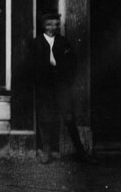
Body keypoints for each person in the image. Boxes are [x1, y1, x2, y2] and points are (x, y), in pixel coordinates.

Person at [32, 11, 98, 164]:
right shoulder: (36, 43)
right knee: (45, 117)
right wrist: (40, 81)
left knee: (69, 117)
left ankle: (81, 152)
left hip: (61, 85)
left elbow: (72, 63)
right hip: (45, 87)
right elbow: (32, 65)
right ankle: (46, 151)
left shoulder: (63, 42)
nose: (53, 27)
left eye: (56, 24)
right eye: (50, 24)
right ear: (44, 26)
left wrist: (66, 81)